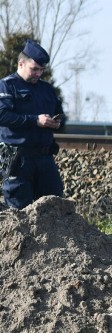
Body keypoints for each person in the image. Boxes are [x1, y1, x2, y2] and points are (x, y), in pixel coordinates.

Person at [0, 39, 64, 209]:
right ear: (21, 64)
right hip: (18, 159)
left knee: (55, 208)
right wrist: (35, 120)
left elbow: (61, 115)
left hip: (44, 158)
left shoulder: (47, 90)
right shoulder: (7, 86)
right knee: (19, 212)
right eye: (34, 69)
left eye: (41, 70)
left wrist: (57, 122)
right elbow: (3, 115)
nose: (38, 74)